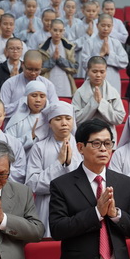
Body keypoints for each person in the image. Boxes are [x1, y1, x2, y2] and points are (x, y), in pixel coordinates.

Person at [49, 118, 130, 259]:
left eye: (107, 143)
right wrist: (96, 213)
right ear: (80, 147)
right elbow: (57, 229)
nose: (103, 149)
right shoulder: (62, 185)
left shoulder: (124, 183)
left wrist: (115, 214)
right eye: (96, 143)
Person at [25, 101, 83, 237]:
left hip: (76, 204)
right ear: (49, 123)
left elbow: (85, 181)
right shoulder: (39, 148)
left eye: (68, 118)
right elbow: (32, 184)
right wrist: (59, 163)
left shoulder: (81, 146)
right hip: (47, 205)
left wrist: (69, 163)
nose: (64, 123)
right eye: (58, 119)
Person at [72, 55, 126, 140]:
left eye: (102, 72)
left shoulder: (113, 92)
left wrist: (102, 102)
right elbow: (75, 119)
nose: (98, 75)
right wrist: (93, 103)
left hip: (108, 136)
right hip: (86, 136)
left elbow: (119, 118)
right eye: (94, 71)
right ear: (87, 71)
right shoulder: (79, 93)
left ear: (106, 71)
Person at [0, 50, 59, 119]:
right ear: (22, 65)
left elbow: (55, 108)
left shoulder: (48, 84)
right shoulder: (10, 83)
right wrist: (23, 102)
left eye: (37, 70)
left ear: (41, 67)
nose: (33, 73)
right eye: (29, 69)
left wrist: (43, 104)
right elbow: (1, 110)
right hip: (14, 123)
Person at [78, 13, 128, 90]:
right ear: (97, 25)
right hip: (94, 80)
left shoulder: (116, 43)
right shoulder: (89, 42)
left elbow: (124, 62)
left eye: (109, 26)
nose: (106, 28)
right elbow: (85, 63)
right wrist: (100, 55)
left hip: (112, 79)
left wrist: (109, 54)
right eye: (103, 25)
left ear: (112, 27)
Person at [5, 80, 48, 154]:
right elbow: (8, 146)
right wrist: (32, 135)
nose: (38, 100)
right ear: (26, 98)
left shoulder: (51, 119)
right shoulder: (17, 120)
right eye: (34, 96)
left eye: (42, 96)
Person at [38, 18, 78, 97]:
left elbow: (74, 68)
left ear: (64, 31)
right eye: (55, 30)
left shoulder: (69, 47)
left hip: (65, 83)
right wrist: (53, 60)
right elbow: (39, 68)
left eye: (60, 31)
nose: (57, 33)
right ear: (50, 30)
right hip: (48, 80)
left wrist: (59, 59)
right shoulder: (42, 48)